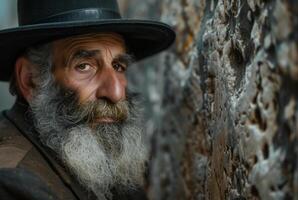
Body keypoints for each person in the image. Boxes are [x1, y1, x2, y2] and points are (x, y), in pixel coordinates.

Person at [0, 0, 175, 199]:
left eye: (118, 66)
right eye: (84, 66)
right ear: (30, 80)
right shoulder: (11, 182)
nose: (116, 93)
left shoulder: (106, 158)